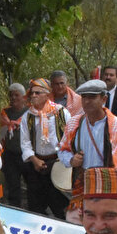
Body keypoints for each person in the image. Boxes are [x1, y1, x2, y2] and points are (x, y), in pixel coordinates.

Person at [59, 79, 117, 205]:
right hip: (82, 184)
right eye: (84, 97)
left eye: (92, 97)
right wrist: (71, 160)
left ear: (104, 99)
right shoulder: (74, 124)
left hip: (108, 186)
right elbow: (62, 149)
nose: (87, 101)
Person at [19, 78, 71, 219]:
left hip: (57, 162)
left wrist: (63, 159)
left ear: (47, 95)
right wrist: (34, 159)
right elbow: (25, 142)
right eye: (32, 93)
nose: (33, 96)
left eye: (37, 93)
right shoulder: (27, 116)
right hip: (36, 163)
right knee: (36, 205)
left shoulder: (61, 113)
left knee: (59, 203)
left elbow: (69, 137)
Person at [0, 83, 28, 208]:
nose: (13, 98)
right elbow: (2, 134)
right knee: (12, 187)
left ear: (23, 97)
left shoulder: (29, 112)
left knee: (32, 185)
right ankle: (15, 210)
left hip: (27, 155)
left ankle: (34, 213)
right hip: (10, 155)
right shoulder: (4, 113)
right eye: (11, 95)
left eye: (17, 95)